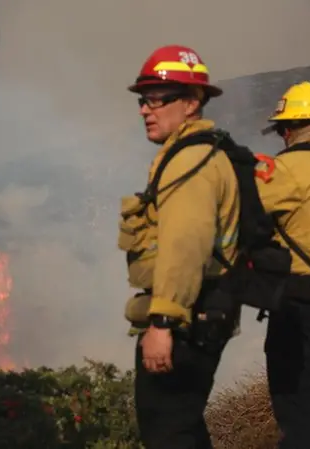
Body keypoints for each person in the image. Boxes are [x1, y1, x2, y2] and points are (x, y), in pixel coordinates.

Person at [117, 44, 240, 449]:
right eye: (143, 99)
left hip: (188, 317)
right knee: (180, 427)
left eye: (157, 99)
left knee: (168, 431)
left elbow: (185, 245)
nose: (144, 110)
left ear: (191, 103)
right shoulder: (196, 154)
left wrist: (164, 323)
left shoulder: (190, 161)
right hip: (201, 311)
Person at [257, 81, 310, 449]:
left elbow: (237, 221)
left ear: (288, 129)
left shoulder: (280, 169)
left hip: (303, 309)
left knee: (302, 413)